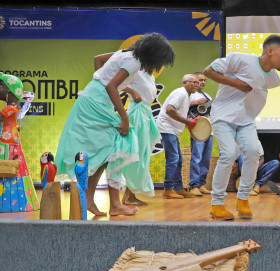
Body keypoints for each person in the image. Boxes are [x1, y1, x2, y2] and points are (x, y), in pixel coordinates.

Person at [54, 33, 175, 216]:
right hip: (97, 102)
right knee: (121, 144)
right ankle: (115, 205)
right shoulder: (134, 61)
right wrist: (124, 117)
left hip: (94, 98)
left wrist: (122, 87)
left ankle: (92, 201)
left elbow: (100, 68)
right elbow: (111, 86)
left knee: (108, 153)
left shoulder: (125, 53)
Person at [203, 34, 280, 220]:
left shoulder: (275, 79)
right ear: (269, 51)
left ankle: (243, 199)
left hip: (247, 120)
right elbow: (208, 71)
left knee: (253, 152)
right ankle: (217, 204)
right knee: (228, 154)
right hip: (223, 115)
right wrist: (236, 84)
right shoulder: (239, 59)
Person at [155, 74, 199, 199]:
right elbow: (170, 110)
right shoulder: (180, 93)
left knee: (178, 160)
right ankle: (167, 189)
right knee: (173, 159)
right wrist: (187, 122)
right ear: (185, 82)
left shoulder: (186, 95)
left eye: (197, 83)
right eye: (193, 82)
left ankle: (178, 188)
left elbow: (176, 113)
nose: (196, 85)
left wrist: (188, 124)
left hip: (172, 130)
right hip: (167, 128)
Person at [0, 73, 40, 213]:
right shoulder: (13, 108)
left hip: (6, 140)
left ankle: (12, 200)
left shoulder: (10, 109)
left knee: (8, 166)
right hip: (10, 139)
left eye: (1, 87)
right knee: (14, 165)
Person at [121, 70, 162, 205]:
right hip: (137, 112)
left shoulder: (151, 77)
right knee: (134, 153)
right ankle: (127, 196)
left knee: (142, 154)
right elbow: (116, 84)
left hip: (146, 112)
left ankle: (130, 194)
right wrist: (132, 92)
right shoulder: (136, 72)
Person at [188, 72, 213, 196]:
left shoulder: (207, 95)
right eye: (200, 80)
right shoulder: (190, 95)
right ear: (194, 81)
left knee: (206, 159)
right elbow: (182, 107)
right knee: (197, 158)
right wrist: (195, 102)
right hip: (197, 131)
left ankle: (202, 184)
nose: (203, 82)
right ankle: (194, 186)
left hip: (209, 130)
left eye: (204, 80)